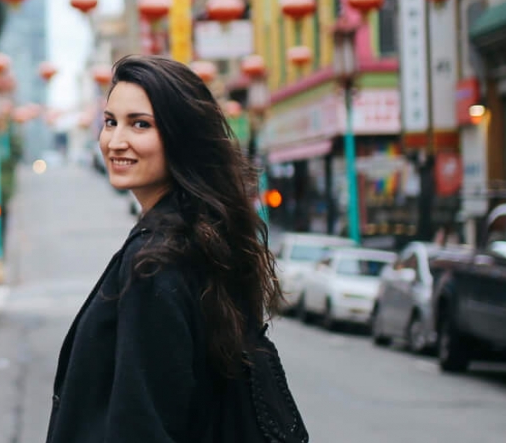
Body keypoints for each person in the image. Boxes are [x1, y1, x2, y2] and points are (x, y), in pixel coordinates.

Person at [45, 55, 308, 443]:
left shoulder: (156, 263)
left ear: (180, 135)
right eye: (110, 122)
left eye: (140, 124)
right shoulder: (206, 238)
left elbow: (143, 424)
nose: (116, 142)